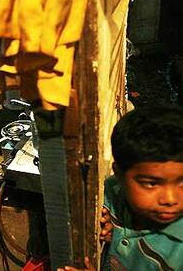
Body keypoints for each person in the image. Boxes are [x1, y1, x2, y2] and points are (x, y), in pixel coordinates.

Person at [58, 105, 183, 271]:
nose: (170, 199)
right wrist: (116, 230)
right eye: (151, 183)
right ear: (120, 175)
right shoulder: (113, 192)